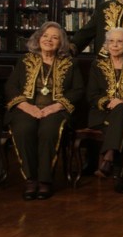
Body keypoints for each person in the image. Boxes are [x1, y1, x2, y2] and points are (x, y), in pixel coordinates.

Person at [6, 22, 84, 200]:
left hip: (56, 110)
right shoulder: (25, 60)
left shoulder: (70, 63)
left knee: (48, 131)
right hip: (26, 108)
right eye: (45, 36)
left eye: (55, 37)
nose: (49, 40)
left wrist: (56, 106)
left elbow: (78, 90)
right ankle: (31, 180)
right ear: (38, 38)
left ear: (61, 43)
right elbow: (11, 87)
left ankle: (45, 181)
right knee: (23, 130)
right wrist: (26, 106)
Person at [85, 27, 123, 178]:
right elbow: (91, 95)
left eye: (119, 41)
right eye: (111, 41)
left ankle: (108, 157)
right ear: (106, 45)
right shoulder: (97, 65)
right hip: (101, 114)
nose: (115, 45)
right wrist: (110, 102)